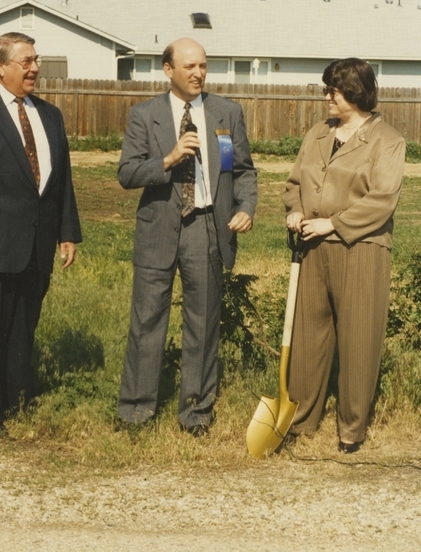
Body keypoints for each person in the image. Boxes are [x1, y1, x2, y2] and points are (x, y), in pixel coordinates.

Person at [117, 37, 257, 435]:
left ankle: (196, 413)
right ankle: (135, 412)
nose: (198, 73)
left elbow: (244, 170)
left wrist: (245, 207)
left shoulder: (226, 112)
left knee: (203, 322)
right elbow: (127, 173)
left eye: (203, 66)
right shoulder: (144, 115)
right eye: (189, 67)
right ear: (168, 69)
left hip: (207, 227)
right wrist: (169, 158)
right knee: (147, 321)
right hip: (159, 228)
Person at [285, 58, 405, 453]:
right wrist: (296, 210)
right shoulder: (317, 134)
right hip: (313, 248)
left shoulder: (387, 140)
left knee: (358, 339)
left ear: (353, 92)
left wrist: (332, 224)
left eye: (332, 91)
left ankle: (351, 430)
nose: (326, 97)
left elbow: (381, 202)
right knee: (308, 339)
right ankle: (301, 421)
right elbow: (294, 182)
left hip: (361, 249)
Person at [0, 32, 82, 436]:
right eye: (26, 61)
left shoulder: (49, 115)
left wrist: (67, 232)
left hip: (36, 242)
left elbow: (61, 181)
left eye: (36, 60)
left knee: (23, 325)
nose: (35, 68)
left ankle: (17, 398)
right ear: (0, 67)